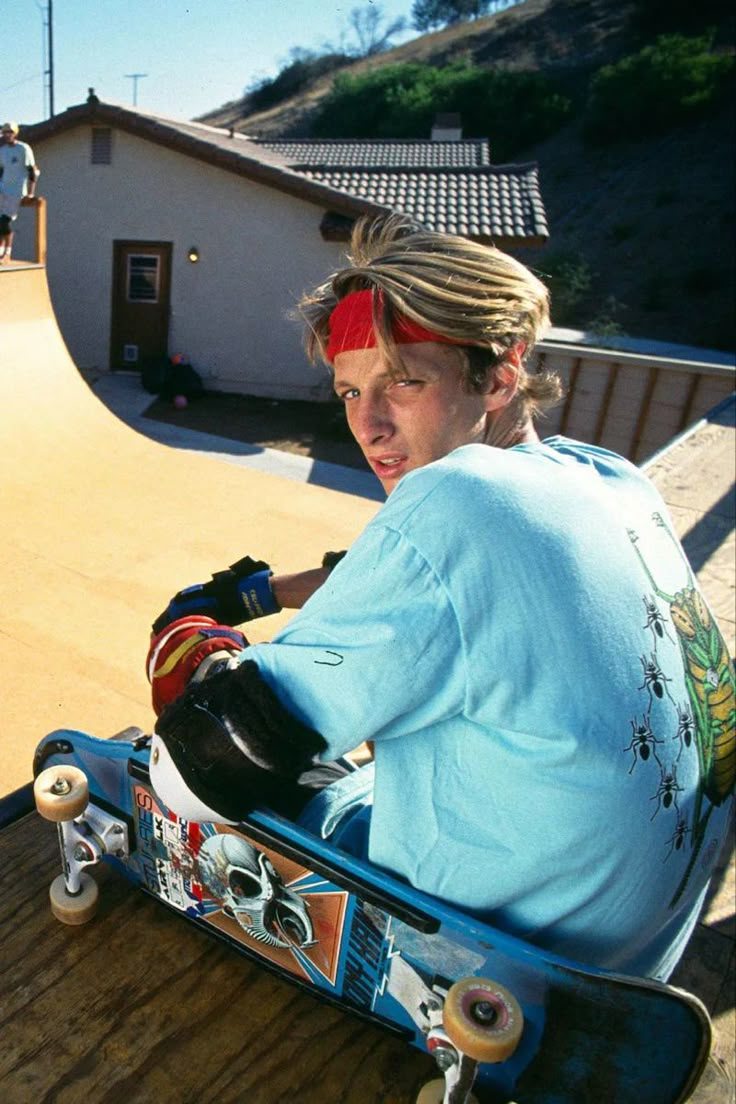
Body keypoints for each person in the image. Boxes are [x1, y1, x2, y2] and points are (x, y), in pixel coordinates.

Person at [146, 215, 735, 985]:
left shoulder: (452, 500)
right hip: (631, 966)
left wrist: (196, 629)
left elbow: (193, 772)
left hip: (487, 982)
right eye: (351, 390)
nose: (367, 424)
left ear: (499, 373)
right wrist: (268, 591)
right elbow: (414, 582)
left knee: (188, 745)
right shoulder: (609, 478)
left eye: (403, 381)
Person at [0, 121, 39, 264]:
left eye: (9, 132)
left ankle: (7, 252)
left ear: (15, 133)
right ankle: (0, 251)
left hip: (16, 190)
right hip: (3, 188)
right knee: (0, 221)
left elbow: (32, 170)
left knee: (5, 221)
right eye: (5, 133)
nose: (7, 135)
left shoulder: (23, 148)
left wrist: (31, 192)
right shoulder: (2, 150)